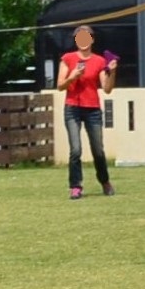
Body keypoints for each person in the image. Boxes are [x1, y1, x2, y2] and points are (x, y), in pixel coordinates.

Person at [56, 25, 117, 199]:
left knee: (98, 150)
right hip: (72, 108)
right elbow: (60, 86)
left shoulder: (99, 61)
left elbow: (107, 89)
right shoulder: (67, 59)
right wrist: (73, 76)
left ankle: (105, 181)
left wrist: (112, 72)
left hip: (92, 110)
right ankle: (75, 186)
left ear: (92, 39)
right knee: (75, 149)